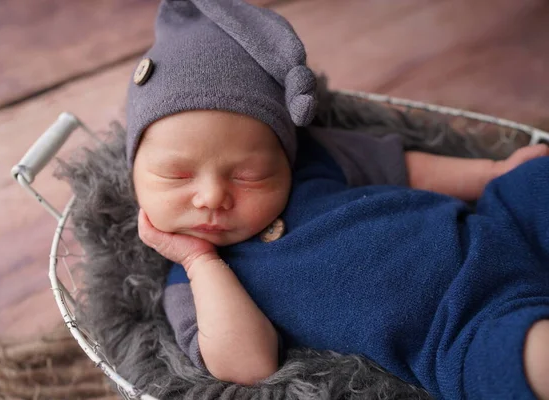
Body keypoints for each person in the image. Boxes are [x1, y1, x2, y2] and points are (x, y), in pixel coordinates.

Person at [126, 0, 549, 398]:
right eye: (176, 175)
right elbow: (249, 365)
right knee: (528, 356)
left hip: (496, 227)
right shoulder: (193, 284)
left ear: (284, 155)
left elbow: (405, 167)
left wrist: (493, 173)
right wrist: (202, 263)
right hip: (458, 328)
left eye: (247, 175)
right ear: (133, 176)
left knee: (536, 179)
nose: (213, 196)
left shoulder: (316, 157)